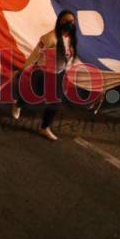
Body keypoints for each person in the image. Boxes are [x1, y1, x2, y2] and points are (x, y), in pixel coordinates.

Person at [12, 10, 79, 141]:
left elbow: (69, 57)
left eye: (73, 21)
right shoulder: (50, 37)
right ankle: (18, 104)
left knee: (55, 102)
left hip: (58, 74)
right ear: (61, 21)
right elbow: (36, 54)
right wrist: (24, 69)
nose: (71, 23)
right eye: (67, 21)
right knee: (33, 95)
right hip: (43, 73)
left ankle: (44, 127)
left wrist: (68, 72)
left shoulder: (71, 38)